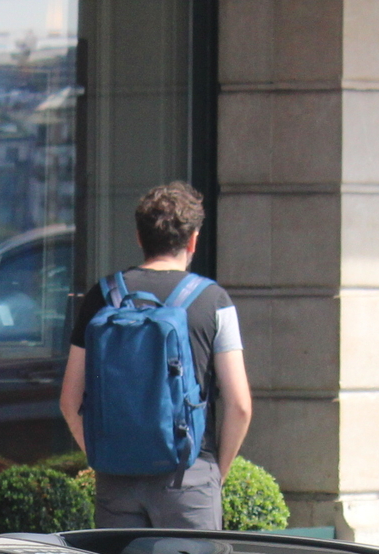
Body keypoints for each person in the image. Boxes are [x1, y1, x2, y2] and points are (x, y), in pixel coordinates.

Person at [59, 181, 254, 530]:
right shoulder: (215, 301)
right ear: (193, 239)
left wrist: (103, 456)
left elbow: (70, 400)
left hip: (116, 479)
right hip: (188, 475)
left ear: (139, 237)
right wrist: (214, 473)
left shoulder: (102, 296)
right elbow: (240, 405)